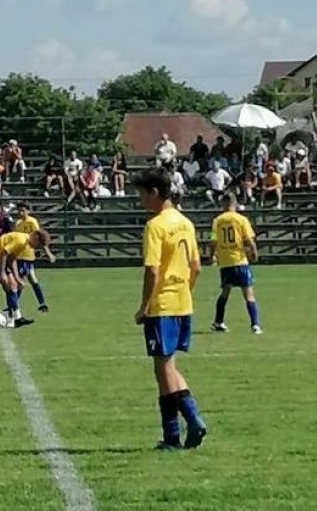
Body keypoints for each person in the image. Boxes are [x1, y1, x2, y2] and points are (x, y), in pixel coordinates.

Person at [132, 167, 207, 451]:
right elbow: (196, 267)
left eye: (141, 195)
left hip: (162, 304)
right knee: (169, 366)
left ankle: (188, 422)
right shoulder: (185, 222)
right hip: (183, 302)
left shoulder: (156, 225)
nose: (140, 201)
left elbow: (152, 270)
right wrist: (185, 294)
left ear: (154, 193)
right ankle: (177, 433)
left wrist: (144, 306)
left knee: (162, 370)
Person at [0, 230, 51, 330]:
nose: (36, 248)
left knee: (12, 286)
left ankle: (17, 318)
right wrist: (2, 273)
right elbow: (4, 253)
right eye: (39, 245)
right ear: (36, 237)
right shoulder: (21, 240)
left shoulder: (24, 243)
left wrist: (17, 278)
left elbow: (12, 259)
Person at [210, 194, 263, 334]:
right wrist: (254, 253)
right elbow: (250, 239)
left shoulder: (218, 221)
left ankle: (218, 321)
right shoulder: (241, 219)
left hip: (225, 262)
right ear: (234, 203)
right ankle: (255, 325)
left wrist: (211, 256)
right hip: (239, 260)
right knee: (248, 294)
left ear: (224, 203)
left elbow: (213, 241)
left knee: (225, 292)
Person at [15, 202, 53, 313]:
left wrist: (48, 253)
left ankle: (14, 304)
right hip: (19, 255)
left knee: (19, 281)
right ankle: (42, 303)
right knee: (32, 279)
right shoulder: (18, 223)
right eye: (19, 210)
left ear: (28, 211)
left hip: (27, 255)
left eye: (23, 210)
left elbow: (40, 236)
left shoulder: (32, 221)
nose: (20, 212)